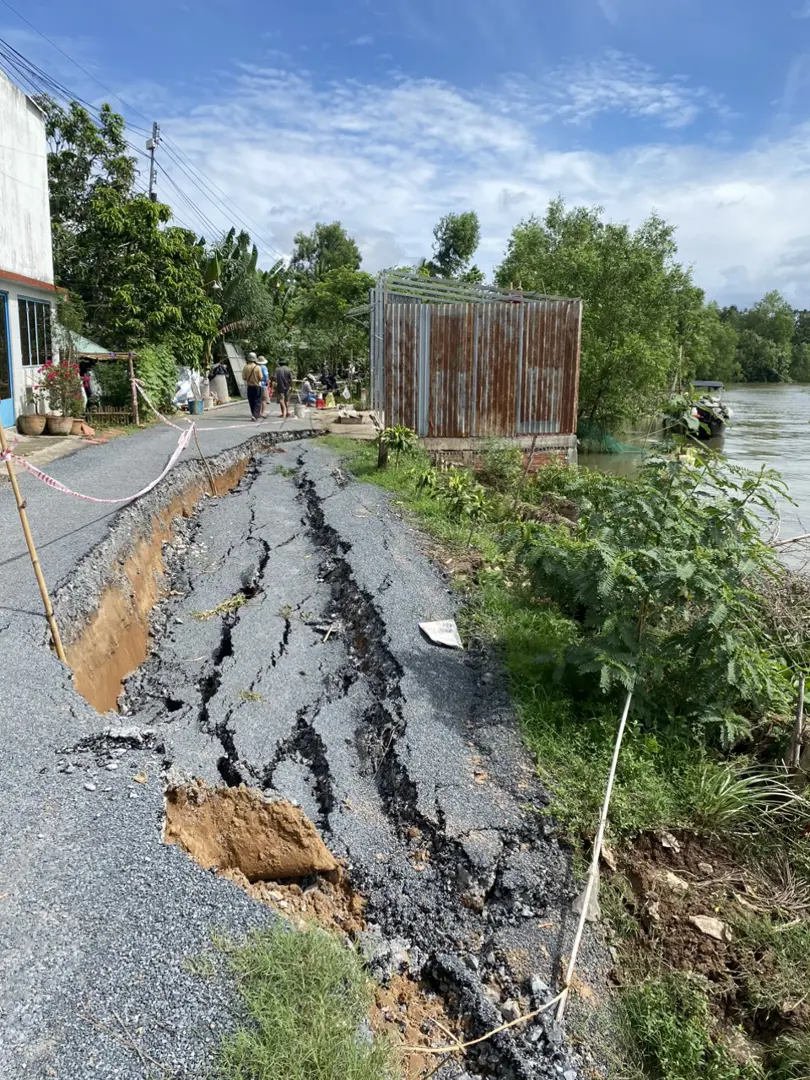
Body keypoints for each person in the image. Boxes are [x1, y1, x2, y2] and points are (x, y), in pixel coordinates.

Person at [242, 352, 264, 421]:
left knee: (251, 401)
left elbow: (244, 378)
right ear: (255, 359)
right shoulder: (257, 367)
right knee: (257, 401)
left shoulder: (245, 367)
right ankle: (255, 415)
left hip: (249, 386)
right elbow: (261, 378)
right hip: (257, 386)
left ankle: (253, 414)